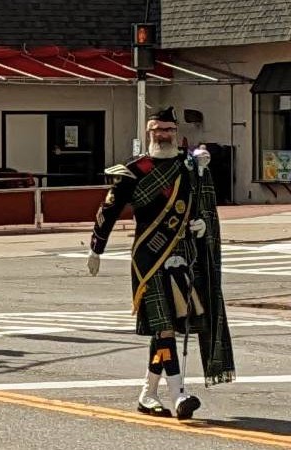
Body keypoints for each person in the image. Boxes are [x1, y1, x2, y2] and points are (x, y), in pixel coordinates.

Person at [87, 107, 234, 420]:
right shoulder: (134, 170)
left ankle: (148, 394)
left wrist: (201, 225)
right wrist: (96, 247)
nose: (163, 135)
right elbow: (109, 209)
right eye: (157, 129)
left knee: (167, 329)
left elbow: (199, 204)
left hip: (182, 256)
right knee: (165, 328)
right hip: (149, 260)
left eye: (168, 129)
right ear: (149, 131)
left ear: (175, 131)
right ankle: (179, 394)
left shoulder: (188, 166)